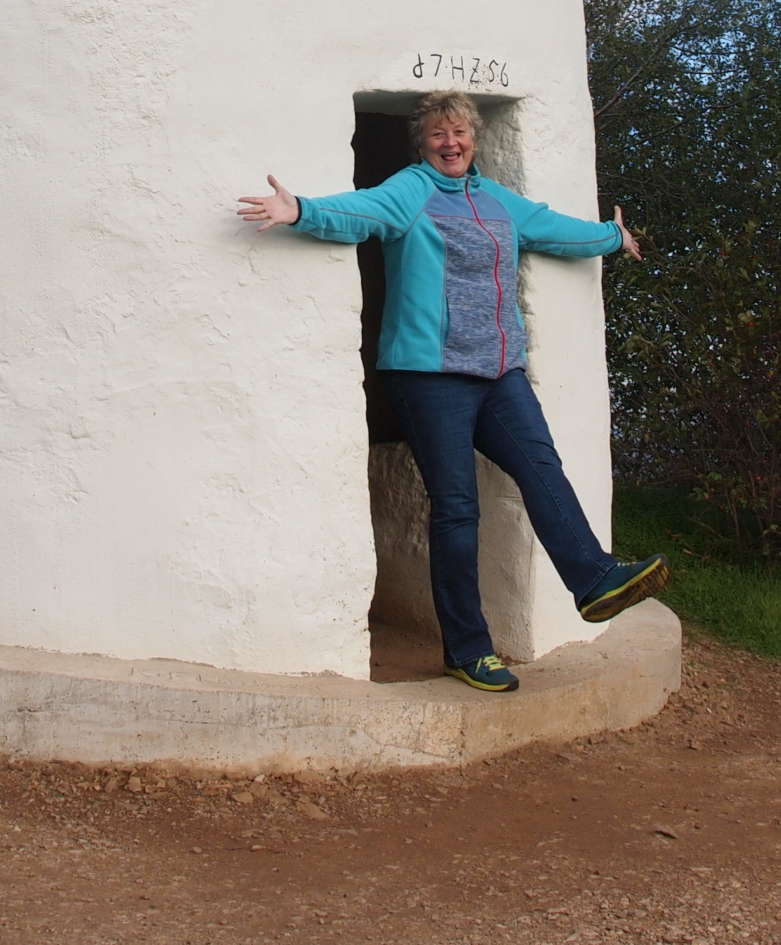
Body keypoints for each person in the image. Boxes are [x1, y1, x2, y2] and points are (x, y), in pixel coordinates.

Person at [237, 90, 669, 692]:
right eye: (438, 134)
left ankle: (594, 581)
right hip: (428, 376)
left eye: (459, 133)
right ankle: (467, 649)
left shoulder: (494, 200)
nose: (450, 143)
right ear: (424, 143)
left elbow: (552, 230)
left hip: (499, 373)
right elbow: (363, 212)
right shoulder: (411, 190)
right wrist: (301, 211)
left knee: (543, 469)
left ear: (474, 139)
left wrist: (608, 238)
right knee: (458, 507)